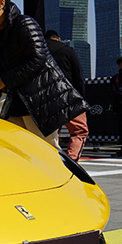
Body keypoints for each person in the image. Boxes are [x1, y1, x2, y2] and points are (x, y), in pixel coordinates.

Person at [0, 0, 87, 148]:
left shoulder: (25, 24)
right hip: (15, 104)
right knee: (13, 152)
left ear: (1, 3)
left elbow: (38, 60)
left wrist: (5, 80)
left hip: (38, 102)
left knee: (44, 153)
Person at [45, 30, 89, 161]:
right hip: (69, 96)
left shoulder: (40, 51)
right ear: (58, 39)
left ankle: (51, 160)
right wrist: (81, 98)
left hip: (47, 97)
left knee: (51, 133)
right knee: (79, 131)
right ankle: (72, 161)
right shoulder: (68, 50)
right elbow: (79, 77)